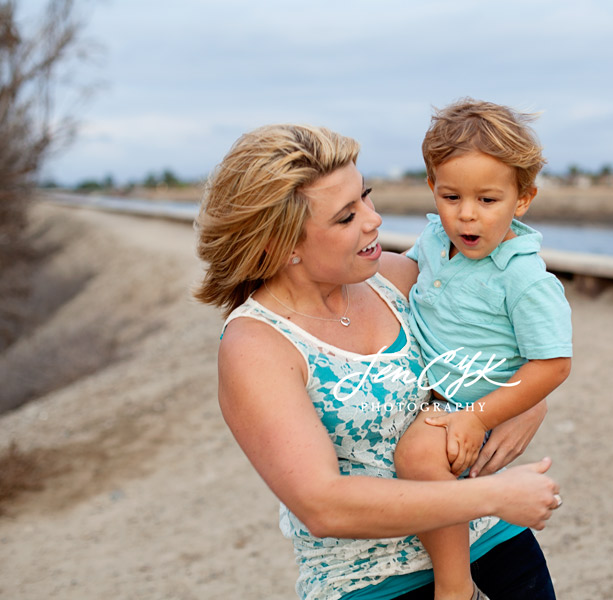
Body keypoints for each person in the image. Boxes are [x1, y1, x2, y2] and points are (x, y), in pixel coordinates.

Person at [193, 123, 563, 600]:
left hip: (495, 545)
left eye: (365, 197)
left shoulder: (396, 277)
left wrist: (526, 404)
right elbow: (323, 505)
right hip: (374, 584)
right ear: (283, 243)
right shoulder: (256, 346)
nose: (374, 220)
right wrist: (494, 495)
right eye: (346, 217)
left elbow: (519, 332)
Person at [393, 100, 572, 600]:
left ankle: (455, 586)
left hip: (476, 401)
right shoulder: (432, 239)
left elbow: (554, 363)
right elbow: (400, 278)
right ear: (432, 189)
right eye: (451, 196)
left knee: (417, 456)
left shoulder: (522, 277)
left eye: (488, 200)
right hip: (436, 391)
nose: (466, 214)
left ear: (522, 199)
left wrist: (476, 417)